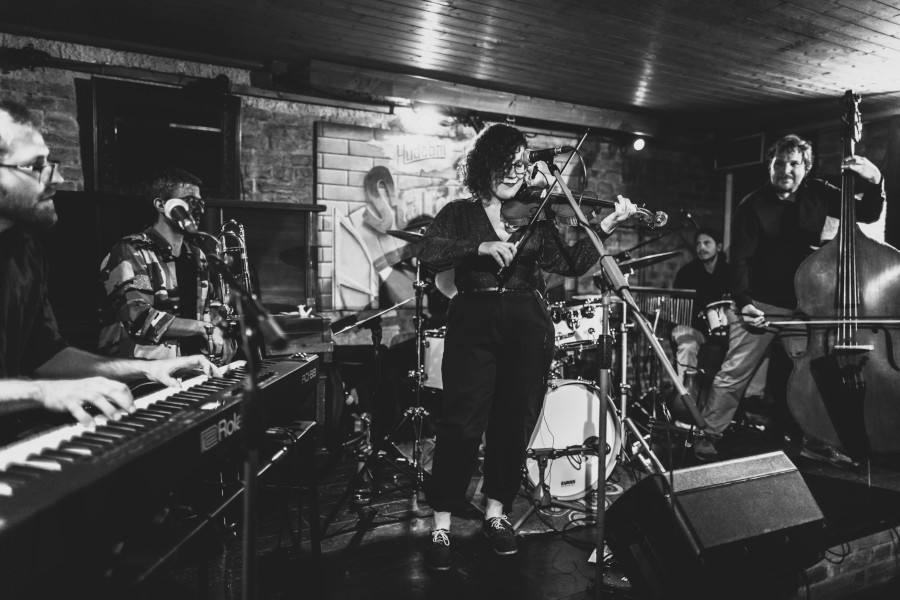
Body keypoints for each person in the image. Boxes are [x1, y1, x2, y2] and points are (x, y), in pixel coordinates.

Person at [416, 123, 637, 571]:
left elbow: (571, 263)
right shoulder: (459, 213)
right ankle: (441, 522)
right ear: (485, 166)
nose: (517, 173)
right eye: (508, 164)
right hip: (473, 320)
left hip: (527, 323)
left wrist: (606, 225)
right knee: (461, 423)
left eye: (521, 164)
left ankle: (496, 513)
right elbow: (429, 252)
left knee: (514, 423)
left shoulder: (537, 214)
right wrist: (480, 247)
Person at [0, 100, 222, 427]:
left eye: (50, 162)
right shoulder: (130, 250)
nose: (57, 178)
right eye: (35, 166)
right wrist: (43, 392)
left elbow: (46, 356)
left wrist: (147, 369)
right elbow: (138, 317)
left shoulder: (24, 247)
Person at [692, 134, 885, 468]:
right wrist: (744, 303)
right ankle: (706, 436)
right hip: (759, 305)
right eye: (779, 163)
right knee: (735, 372)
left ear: (806, 168)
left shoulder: (819, 192)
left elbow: (867, 213)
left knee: (813, 373)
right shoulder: (751, 204)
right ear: (770, 166)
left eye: (794, 163)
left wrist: (876, 180)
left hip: (802, 306)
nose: (786, 169)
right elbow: (739, 261)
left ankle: (817, 441)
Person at [98, 168, 233, 362]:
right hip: (140, 371)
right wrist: (202, 328)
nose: (198, 209)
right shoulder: (131, 251)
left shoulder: (198, 255)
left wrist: (221, 330)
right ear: (161, 204)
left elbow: (210, 305)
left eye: (200, 203)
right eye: (189, 201)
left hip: (193, 367)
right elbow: (138, 318)